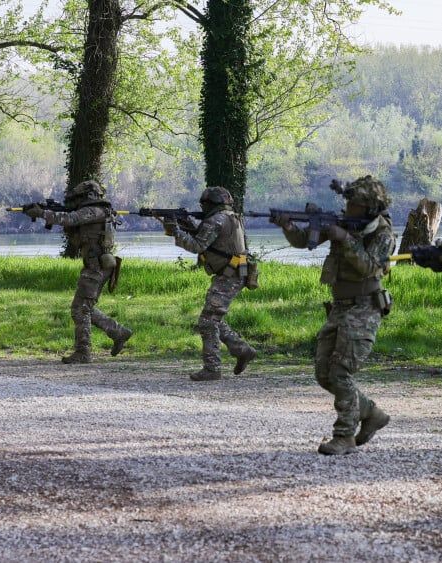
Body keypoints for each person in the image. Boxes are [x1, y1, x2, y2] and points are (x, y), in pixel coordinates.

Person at [273, 176, 395, 455]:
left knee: (340, 372)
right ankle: (371, 413)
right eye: (348, 203)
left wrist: (345, 239)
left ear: (369, 207)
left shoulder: (383, 233)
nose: (348, 208)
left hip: (365, 307)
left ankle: (344, 436)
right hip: (340, 306)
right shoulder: (344, 223)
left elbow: (369, 266)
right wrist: (288, 226)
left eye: (354, 204)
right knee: (324, 373)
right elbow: (304, 240)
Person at [25, 180, 132, 364]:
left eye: (79, 198)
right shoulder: (98, 211)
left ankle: (84, 352)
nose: (77, 201)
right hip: (96, 265)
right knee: (84, 308)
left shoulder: (95, 211)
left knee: (80, 309)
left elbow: (71, 218)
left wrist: (42, 213)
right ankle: (118, 332)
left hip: (96, 266)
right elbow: (75, 227)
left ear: (89, 195)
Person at [159, 186, 256, 381]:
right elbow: (210, 239)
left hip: (230, 275)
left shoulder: (215, 220)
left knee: (207, 321)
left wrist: (176, 230)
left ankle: (212, 368)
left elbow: (197, 246)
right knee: (213, 318)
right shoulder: (232, 217)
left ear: (210, 204)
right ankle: (242, 350)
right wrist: (187, 224)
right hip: (235, 273)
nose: (202, 208)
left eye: (204, 205)